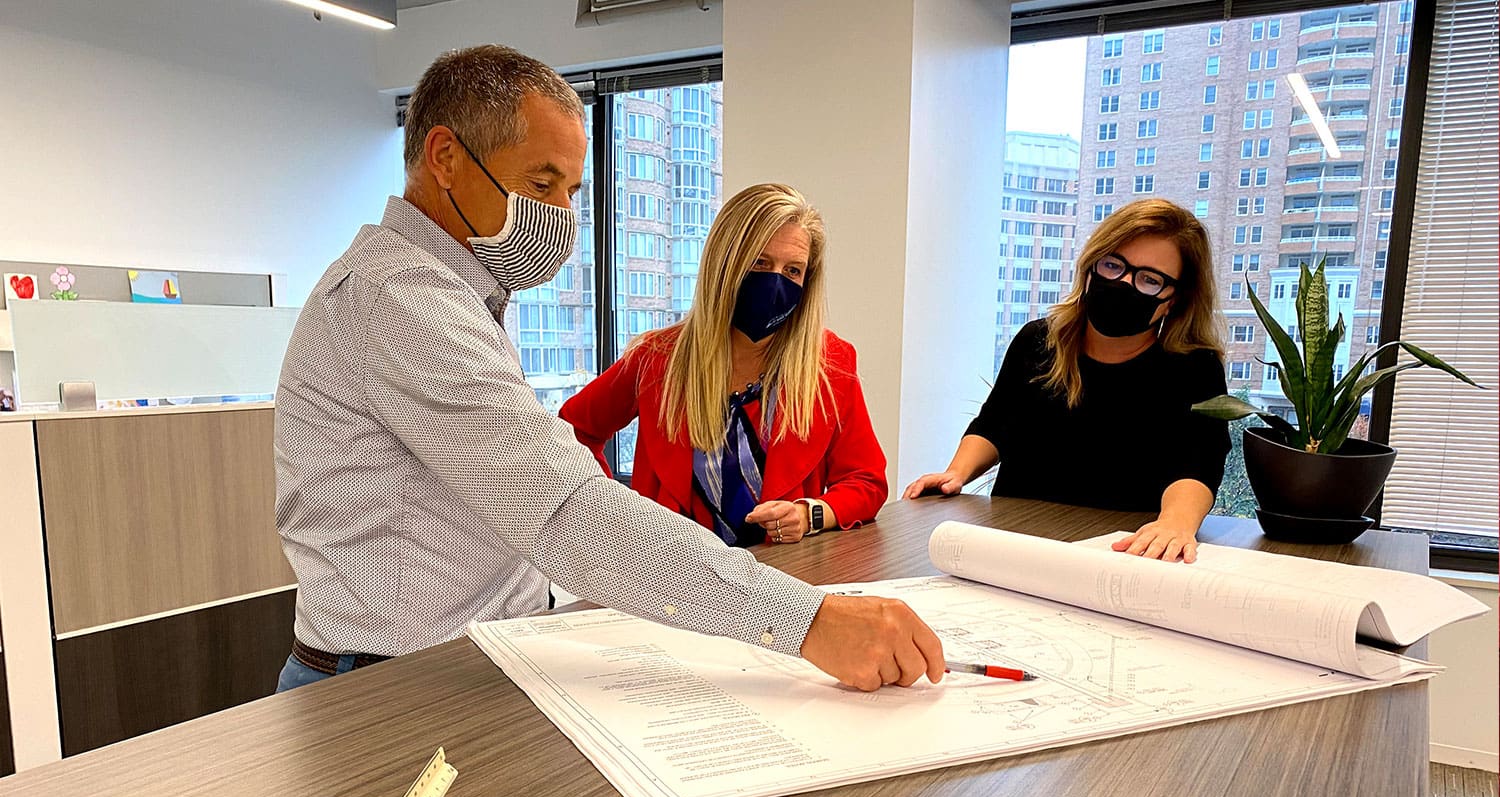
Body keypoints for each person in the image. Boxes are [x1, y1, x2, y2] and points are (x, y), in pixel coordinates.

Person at [273, 45, 943, 694]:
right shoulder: (402, 299)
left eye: (570, 189)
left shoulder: (462, 296)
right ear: (445, 157)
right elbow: (563, 504)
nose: (562, 215)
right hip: (390, 680)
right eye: (542, 183)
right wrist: (811, 622)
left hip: (477, 654)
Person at [560, 184, 886, 548]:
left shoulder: (830, 364)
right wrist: (613, 513)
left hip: (782, 581)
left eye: (793, 270)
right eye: (760, 263)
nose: (775, 281)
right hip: (673, 577)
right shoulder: (657, 358)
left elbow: (866, 481)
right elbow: (573, 432)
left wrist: (809, 514)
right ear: (725, 263)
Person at [904, 199, 1230, 563]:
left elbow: (1199, 462)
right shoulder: (1038, 341)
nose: (1123, 283)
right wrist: (956, 473)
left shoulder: (1193, 368)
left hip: (1121, 555)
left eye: (1149, 279)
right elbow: (995, 424)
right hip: (1017, 544)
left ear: (1174, 299)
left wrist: (1176, 523)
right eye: (1113, 265)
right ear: (1091, 266)